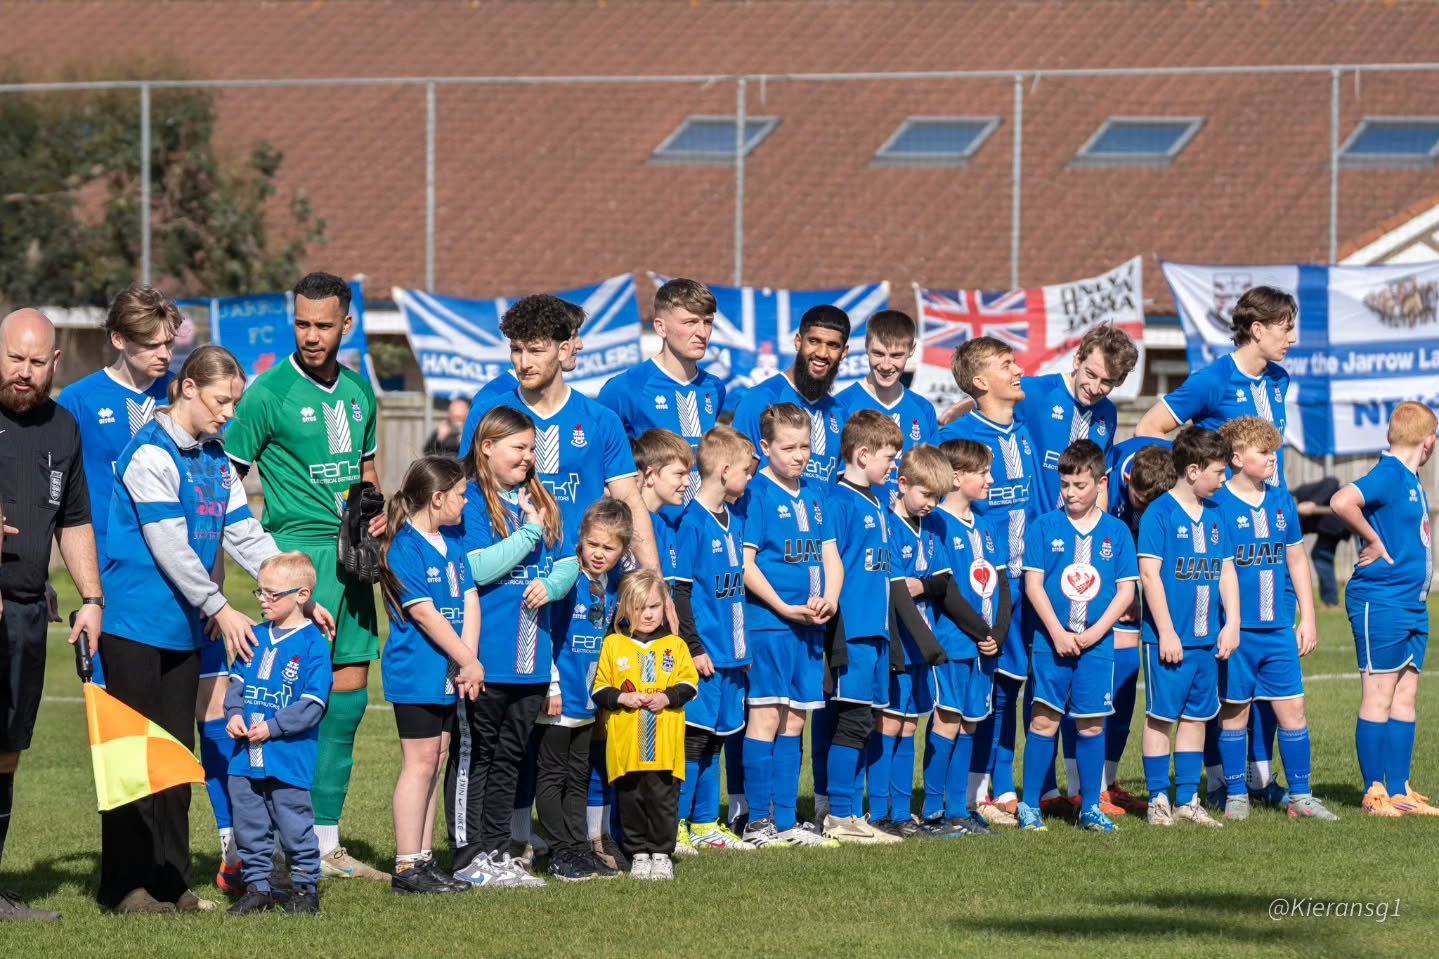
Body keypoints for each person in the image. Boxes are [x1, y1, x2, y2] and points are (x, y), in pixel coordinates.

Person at [99, 345, 326, 913]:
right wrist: (221, 606)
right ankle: (126, 885)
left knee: (177, 758)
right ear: (189, 389)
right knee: (133, 761)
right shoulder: (148, 453)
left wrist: (297, 591)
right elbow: (171, 546)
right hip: (132, 626)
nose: (230, 413)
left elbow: (245, 535)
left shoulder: (216, 458)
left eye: (236, 403)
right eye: (223, 401)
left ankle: (172, 882)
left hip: (185, 628)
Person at [224, 271, 389, 881]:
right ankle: (263, 845)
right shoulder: (268, 393)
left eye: (324, 324)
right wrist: (265, 558)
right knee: (280, 705)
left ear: (347, 324)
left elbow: (367, 472)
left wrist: (377, 514)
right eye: (302, 323)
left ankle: (324, 844)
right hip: (296, 559)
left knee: (342, 702)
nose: (312, 335)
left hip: (351, 566)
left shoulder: (359, 391)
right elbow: (226, 481)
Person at [1136, 286, 1297, 803]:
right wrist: (1186, 491)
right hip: (1221, 535)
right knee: (1225, 672)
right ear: (1257, 329)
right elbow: (1151, 427)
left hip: (1268, 532)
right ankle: (1218, 783)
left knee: (1265, 667)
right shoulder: (1212, 379)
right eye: (1285, 327)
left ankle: (1260, 777)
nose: (1292, 338)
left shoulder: (1278, 381)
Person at [0, 308, 104, 923]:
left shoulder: (62, 426)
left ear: (55, 365)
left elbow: (73, 518)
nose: (25, 372)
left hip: (27, 614)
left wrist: (91, 599)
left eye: (37, 363)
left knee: (8, 751)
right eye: (15, 358)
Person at [447, 405, 572, 888]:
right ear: (487, 447)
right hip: (485, 658)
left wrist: (556, 584)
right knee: (475, 759)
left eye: (532, 449)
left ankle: (498, 850)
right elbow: (476, 568)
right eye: (519, 448)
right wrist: (528, 533)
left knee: (510, 759)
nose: (528, 458)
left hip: (532, 659)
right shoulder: (473, 501)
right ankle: (467, 852)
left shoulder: (540, 497)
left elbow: (567, 560)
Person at [457, 295, 658, 574]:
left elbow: (630, 501)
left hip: (582, 581)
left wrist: (652, 577)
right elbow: (462, 491)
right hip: (507, 583)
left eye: (536, 351)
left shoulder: (601, 420)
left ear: (563, 351)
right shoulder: (488, 412)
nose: (523, 362)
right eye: (517, 350)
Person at [937, 336, 1040, 825]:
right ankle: (974, 792)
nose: (1018, 370)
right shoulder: (959, 445)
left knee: (1012, 686)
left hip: (1028, 581)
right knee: (980, 687)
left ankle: (1002, 786)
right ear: (980, 382)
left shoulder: (1024, 430)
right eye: (1006, 364)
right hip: (983, 586)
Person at [1211, 418, 1336, 822]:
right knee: (1236, 713)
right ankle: (1235, 794)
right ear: (1236, 458)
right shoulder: (1218, 505)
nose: (1272, 459)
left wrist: (1308, 617)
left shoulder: (1281, 500)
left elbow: (1296, 559)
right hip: (1238, 633)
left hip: (1279, 629)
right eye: (1263, 452)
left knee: (1293, 710)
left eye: (1273, 451)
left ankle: (1301, 795)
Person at [1017, 440, 1138, 834]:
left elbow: (1126, 592)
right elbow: (1033, 585)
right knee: (1044, 721)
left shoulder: (1117, 532)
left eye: (1079, 485)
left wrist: (1095, 634)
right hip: (1052, 643)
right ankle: (1030, 806)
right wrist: (1057, 631)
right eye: (1065, 484)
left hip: (1097, 646)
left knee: (1091, 725)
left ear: (1101, 482)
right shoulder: (1044, 526)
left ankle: (1090, 806)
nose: (1070, 493)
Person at [737, 404, 842, 848]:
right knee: (764, 718)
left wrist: (830, 601)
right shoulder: (756, 495)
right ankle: (758, 821)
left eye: (806, 446)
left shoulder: (818, 494)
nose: (800, 455)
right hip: (770, 626)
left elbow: (831, 557)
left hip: (809, 628)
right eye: (789, 447)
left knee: (794, 722)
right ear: (765, 447)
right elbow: (746, 564)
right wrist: (783, 606)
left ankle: (784, 821)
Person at [376, 456, 483, 895]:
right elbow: (426, 615)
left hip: (448, 668)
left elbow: (470, 599)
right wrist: (467, 659)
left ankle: (422, 859)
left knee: (436, 761)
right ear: (437, 498)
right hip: (416, 670)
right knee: (419, 764)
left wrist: (468, 660)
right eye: (460, 495)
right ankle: (406, 867)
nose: (465, 503)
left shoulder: (452, 542)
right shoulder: (405, 547)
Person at [1330, 401, 1438, 817]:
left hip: (1412, 605)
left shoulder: (1410, 478)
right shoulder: (1390, 474)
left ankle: (1399, 789)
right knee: (1378, 695)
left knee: (1406, 695)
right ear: (1429, 441)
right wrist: (1372, 540)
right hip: (1382, 601)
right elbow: (1342, 501)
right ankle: (1374, 792)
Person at [1138, 427, 1240, 829]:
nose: (1224, 479)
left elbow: (1226, 570)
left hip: (1206, 639)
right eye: (1218, 471)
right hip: (1170, 638)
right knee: (1161, 717)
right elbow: (1150, 575)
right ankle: (1157, 798)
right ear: (1193, 470)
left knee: (1197, 719)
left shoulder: (1216, 513)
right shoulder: (1159, 514)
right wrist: (1165, 631)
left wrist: (1231, 622)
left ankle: (1187, 800)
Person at [224, 552, 334, 915]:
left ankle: (304, 888)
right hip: (244, 759)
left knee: (294, 824)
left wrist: (272, 728)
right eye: (260, 591)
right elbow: (236, 684)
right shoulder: (253, 636)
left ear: (302, 595)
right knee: (249, 824)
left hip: (288, 757)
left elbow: (313, 704)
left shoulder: (313, 645)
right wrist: (234, 714)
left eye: (273, 594)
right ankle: (258, 887)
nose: (262, 600)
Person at [669, 425, 757, 853]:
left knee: (718, 739)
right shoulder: (693, 523)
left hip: (734, 656)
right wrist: (694, 647)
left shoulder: (733, 518)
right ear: (724, 471)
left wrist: (744, 650)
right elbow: (680, 591)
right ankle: (677, 824)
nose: (749, 478)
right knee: (694, 740)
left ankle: (706, 822)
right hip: (706, 655)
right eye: (745, 470)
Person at [820, 410, 905, 845]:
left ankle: (852, 813)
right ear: (862, 453)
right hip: (851, 631)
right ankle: (837, 816)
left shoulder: (877, 499)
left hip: (876, 631)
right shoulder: (838, 501)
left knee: (865, 723)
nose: (893, 467)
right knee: (851, 721)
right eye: (889, 458)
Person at [537, 500, 631, 882]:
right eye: (593, 544)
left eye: (609, 549)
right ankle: (560, 852)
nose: (598, 554)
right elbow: (545, 633)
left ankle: (579, 847)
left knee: (578, 776)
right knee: (552, 775)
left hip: (588, 701)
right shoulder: (568, 578)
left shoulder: (611, 585)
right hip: (559, 696)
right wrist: (552, 683)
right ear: (581, 539)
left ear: (622, 551)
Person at [921, 439, 1011, 836]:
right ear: (956, 478)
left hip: (986, 647)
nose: (991, 480)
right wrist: (979, 632)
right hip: (955, 643)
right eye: (984, 473)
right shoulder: (937, 523)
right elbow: (946, 590)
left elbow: (1004, 584)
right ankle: (932, 811)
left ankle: (959, 807)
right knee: (948, 719)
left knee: (972, 722)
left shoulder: (988, 524)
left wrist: (999, 635)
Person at [592, 571, 700, 881]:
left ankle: (662, 854)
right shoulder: (614, 645)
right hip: (627, 747)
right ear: (625, 609)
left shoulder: (674, 645)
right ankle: (638, 853)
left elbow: (689, 684)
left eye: (653, 606)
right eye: (640, 608)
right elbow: (600, 688)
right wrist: (622, 699)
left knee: (663, 800)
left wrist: (667, 697)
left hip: (664, 747)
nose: (648, 614)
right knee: (632, 800)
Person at [869, 445, 952, 838]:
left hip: (923, 643)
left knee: (908, 728)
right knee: (888, 725)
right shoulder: (886, 524)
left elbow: (941, 582)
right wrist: (918, 585)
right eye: (925, 495)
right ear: (902, 484)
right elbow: (896, 588)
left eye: (938, 498)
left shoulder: (933, 528)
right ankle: (879, 812)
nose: (931, 505)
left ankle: (902, 812)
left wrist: (926, 585)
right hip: (898, 643)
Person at [1101, 442, 1174, 813]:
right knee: (1102, 687)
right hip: (1102, 583)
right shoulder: (1108, 478)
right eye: (1139, 501)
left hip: (1137, 579)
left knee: (1127, 682)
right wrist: (1124, 590)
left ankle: (1110, 782)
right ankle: (1089, 784)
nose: (1143, 509)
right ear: (1126, 479)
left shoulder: (1169, 473)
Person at [598, 278, 725, 473]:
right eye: (690, 322)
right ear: (660, 327)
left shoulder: (715, 387)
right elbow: (599, 459)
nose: (702, 332)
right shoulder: (625, 388)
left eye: (707, 322)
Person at [1016, 324, 1139, 511]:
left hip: (1078, 535)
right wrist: (953, 415)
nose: (1095, 388)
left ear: (1119, 380)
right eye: (1090, 374)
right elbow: (983, 400)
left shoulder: (1108, 413)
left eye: (1107, 382)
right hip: (1031, 530)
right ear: (1077, 360)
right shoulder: (1036, 391)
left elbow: (1100, 485)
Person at [732, 304, 851, 483]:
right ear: (798, 341)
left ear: (844, 353)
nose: (822, 353)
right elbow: (736, 482)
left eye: (833, 345)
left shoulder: (840, 412)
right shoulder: (759, 400)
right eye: (814, 341)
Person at [834, 309, 940, 505]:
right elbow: (833, 482)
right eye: (878, 353)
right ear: (866, 347)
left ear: (912, 350)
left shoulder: (923, 409)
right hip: (862, 528)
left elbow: (935, 480)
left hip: (913, 531)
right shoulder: (841, 406)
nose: (886, 364)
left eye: (896, 355)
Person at [1291, 476, 1347, 611]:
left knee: (1321, 558)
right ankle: (1330, 602)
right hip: (1333, 527)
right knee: (1319, 557)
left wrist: (1313, 503)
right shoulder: (1288, 516)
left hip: (1338, 522)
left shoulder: (1302, 492)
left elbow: (1333, 481)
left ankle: (1331, 602)